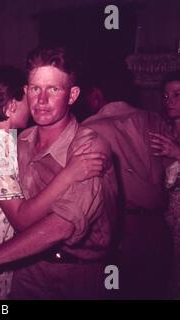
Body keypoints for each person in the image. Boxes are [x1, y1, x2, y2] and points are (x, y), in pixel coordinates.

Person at [0, 47, 118, 299]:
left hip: (75, 274)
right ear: (26, 91)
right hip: (24, 269)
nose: (41, 100)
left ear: (72, 95)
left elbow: (61, 227)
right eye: (35, 88)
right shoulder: (18, 142)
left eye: (53, 89)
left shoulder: (89, 147)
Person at [82, 67, 173, 299]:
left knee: (117, 291)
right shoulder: (153, 119)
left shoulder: (91, 128)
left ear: (96, 95)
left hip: (121, 228)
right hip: (159, 228)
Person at [149, 70, 180, 296]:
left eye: (178, 95)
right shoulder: (165, 129)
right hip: (165, 215)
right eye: (167, 96)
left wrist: (177, 152)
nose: (170, 101)